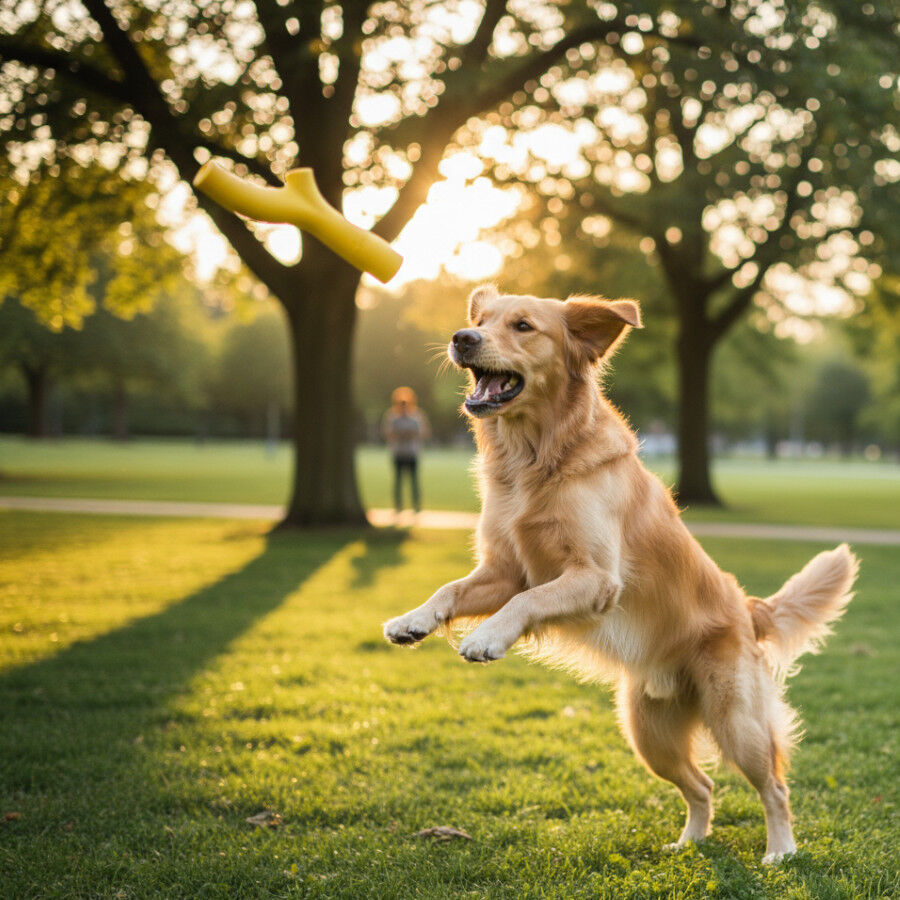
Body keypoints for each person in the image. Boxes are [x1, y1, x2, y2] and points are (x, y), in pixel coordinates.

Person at [381, 387, 430, 513]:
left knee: (414, 481)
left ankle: (416, 506)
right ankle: (398, 506)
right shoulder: (392, 416)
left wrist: (410, 434)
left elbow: (424, 433)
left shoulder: (417, 416)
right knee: (398, 481)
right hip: (398, 453)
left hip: (412, 453)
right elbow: (387, 433)